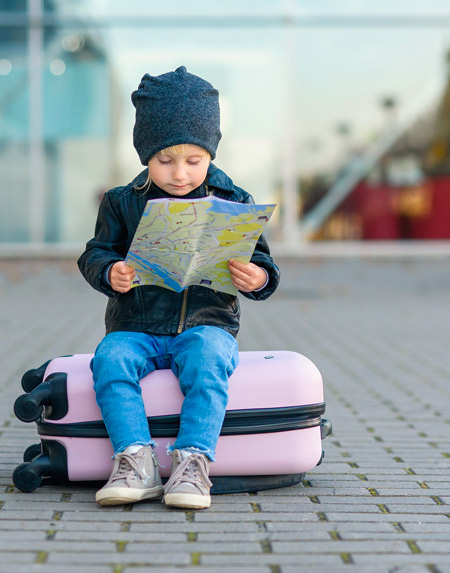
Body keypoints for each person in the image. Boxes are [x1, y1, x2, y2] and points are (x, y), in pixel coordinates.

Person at [77, 66, 280, 510]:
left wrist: (257, 277)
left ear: (211, 154)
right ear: (145, 155)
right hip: (136, 323)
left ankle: (192, 463)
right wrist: (110, 271)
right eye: (165, 160)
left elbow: (263, 261)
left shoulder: (234, 200)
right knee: (109, 360)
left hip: (208, 324)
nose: (180, 173)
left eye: (194, 160)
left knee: (209, 363)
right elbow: (94, 253)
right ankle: (136, 460)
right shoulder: (121, 201)